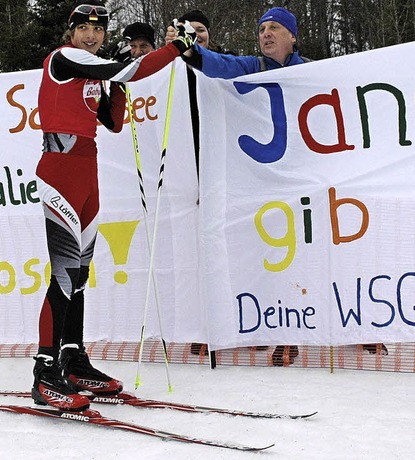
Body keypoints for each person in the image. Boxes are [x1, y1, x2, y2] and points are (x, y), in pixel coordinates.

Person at [169, 6, 386, 365]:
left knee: (331, 253)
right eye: (261, 29)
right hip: (264, 184)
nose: (266, 34)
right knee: (274, 259)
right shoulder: (253, 68)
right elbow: (217, 64)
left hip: (310, 180)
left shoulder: (313, 71)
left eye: (274, 28)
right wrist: (188, 49)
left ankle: (362, 326)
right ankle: (282, 332)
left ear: (293, 36)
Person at [32, 0, 196, 411]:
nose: (91, 36)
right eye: (84, 29)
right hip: (60, 169)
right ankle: (44, 373)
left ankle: (73, 359)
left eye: (99, 31)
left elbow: (112, 119)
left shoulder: (90, 67)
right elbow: (130, 69)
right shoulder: (65, 57)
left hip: (87, 167)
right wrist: (176, 48)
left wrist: (119, 84)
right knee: (64, 273)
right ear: (71, 32)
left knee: (80, 273)